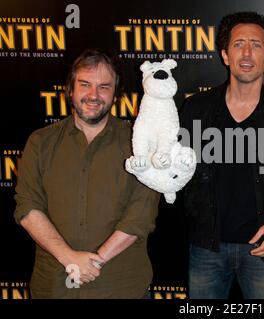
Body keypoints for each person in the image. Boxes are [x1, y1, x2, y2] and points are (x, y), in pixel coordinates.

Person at [14, 49, 160, 298]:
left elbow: (140, 216)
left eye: (104, 87)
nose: (93, 95)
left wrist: (91, 264)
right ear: (70, 89)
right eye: (84, 85)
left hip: (120, 287)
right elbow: (28, 208)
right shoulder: (40, 143)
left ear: (116, 94)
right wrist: (69, 258)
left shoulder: (141, 144)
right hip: (54, 287)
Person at [179, 11, 264, 299]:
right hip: (205, 248)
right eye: (238, 44)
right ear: (225, 54)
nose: (247, 53)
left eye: (256, 45)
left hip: (262, 249)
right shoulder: (196, 110)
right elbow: (177, 174)